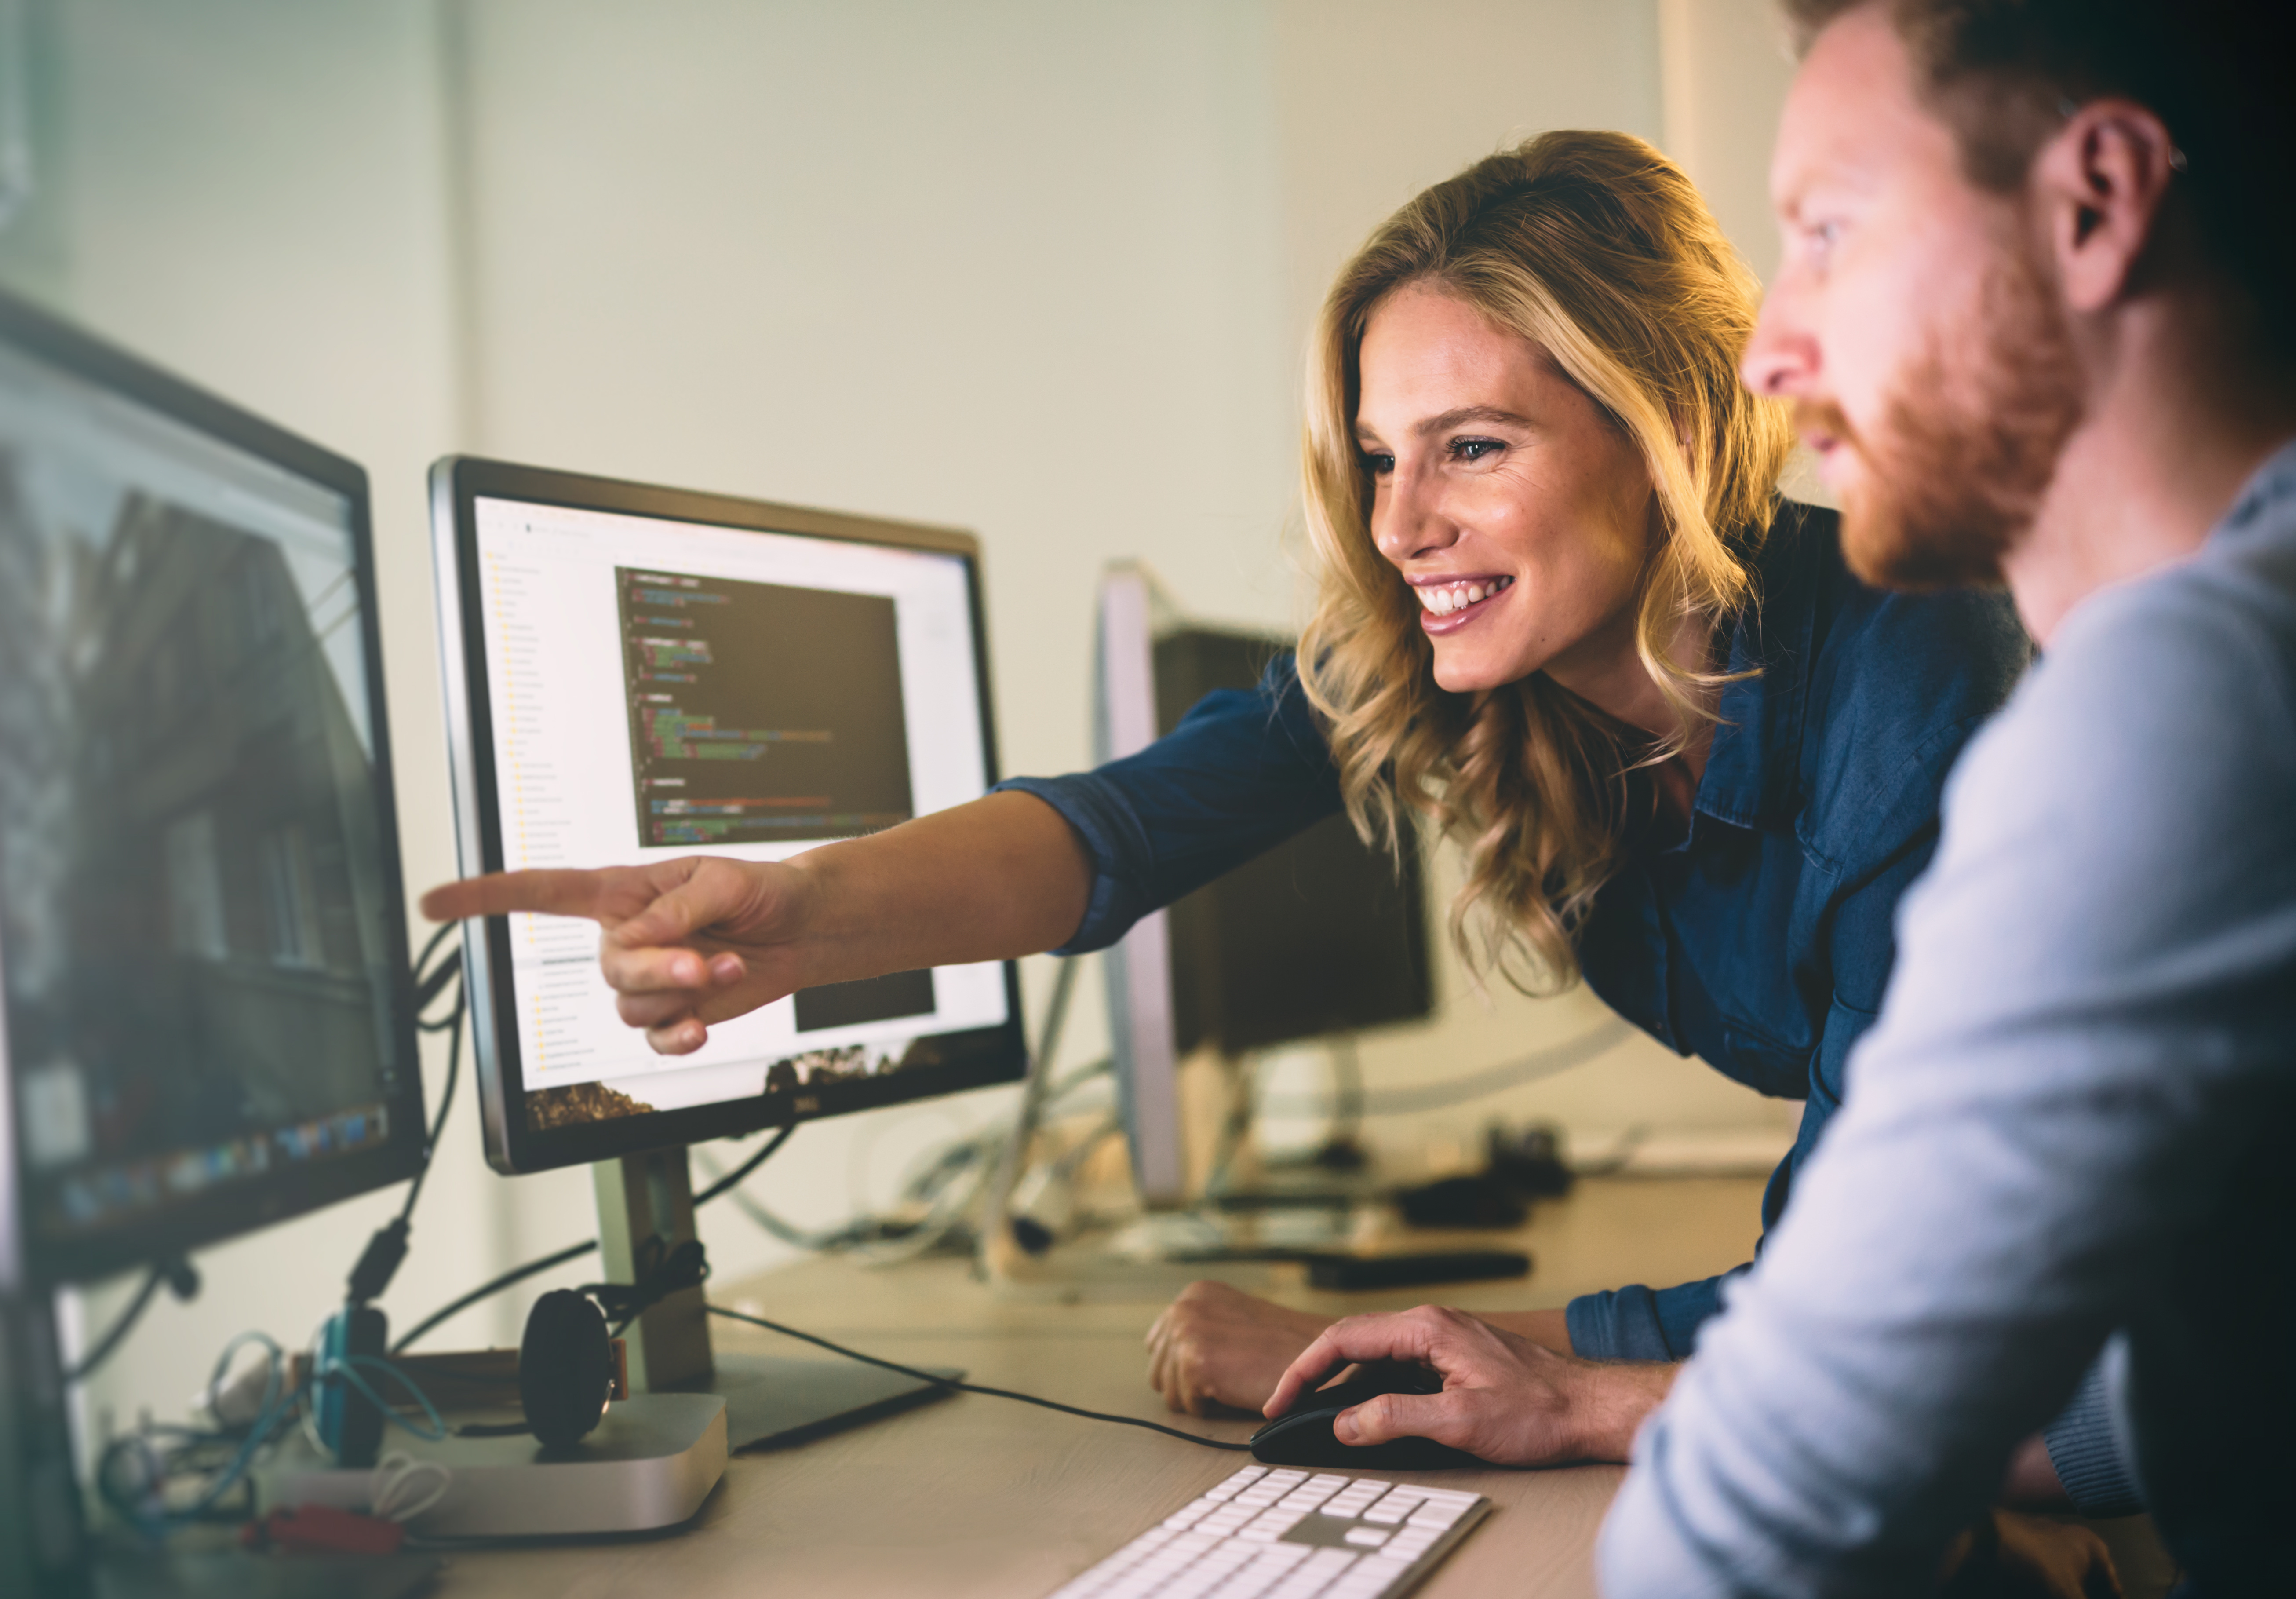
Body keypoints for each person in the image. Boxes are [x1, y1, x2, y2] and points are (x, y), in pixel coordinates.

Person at [422, 132, 2031, 1479]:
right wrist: (804, 917)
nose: (1401, 525)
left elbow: (1864, 1326)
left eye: (1473, 446)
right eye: (1381, 456)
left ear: (1670, 424)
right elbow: (1120, 830)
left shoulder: (1912, 692)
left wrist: (1512, 1368)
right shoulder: (1481, 665)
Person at [1266, 1, 2296, 1592]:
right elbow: (2194, 1350)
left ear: (2092, 203)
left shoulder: (2190, 694)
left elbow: (1747, 1527)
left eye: (1828, 230)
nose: (1768, 348)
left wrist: (1594, 1397)